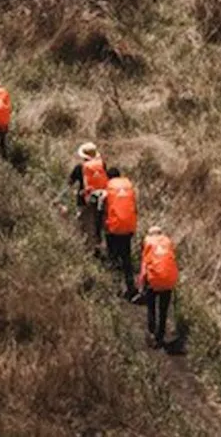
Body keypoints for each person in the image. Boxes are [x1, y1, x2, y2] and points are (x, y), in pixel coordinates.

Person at [138, 225, 179, 349]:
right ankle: (160, 336)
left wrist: (141, 284)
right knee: (163, 310)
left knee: (151, 307)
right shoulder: (168, 242)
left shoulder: (148, 243)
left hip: (154, 280)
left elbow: (144, 266)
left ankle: (152, 333)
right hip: (168, 281)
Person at [102, 167, 139, 299]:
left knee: (112, 258)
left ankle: (114, 287)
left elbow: (103, 209)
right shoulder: (129, 190)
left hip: (113, 229)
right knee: (126, 259)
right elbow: (135, 208)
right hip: (128, 229)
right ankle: (131, 288)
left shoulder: (108, 191)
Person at [67, 142, 110, 251]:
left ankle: (88, 251)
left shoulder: (79, 167)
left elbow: (69, 182)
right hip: (100, 200)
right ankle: (99, 247)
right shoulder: (102, 165)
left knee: (85, 226)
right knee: (97, 225)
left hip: (84, 201)